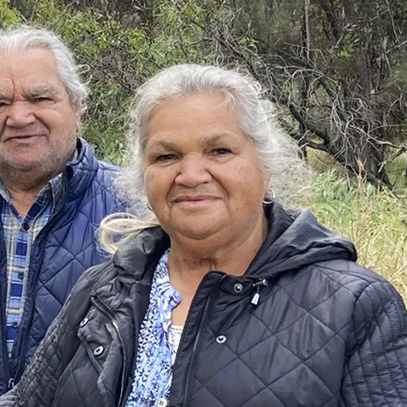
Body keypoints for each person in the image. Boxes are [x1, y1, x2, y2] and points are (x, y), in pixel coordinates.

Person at [1, 63, 406, 407]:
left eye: (219, 151)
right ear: (144, 177)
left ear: (265, 166)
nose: (191, 176)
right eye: (167, 156)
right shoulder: (104, 289)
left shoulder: (354, 308)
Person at [0, 26, 127, 394]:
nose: (19, 117)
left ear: (77, 107)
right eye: (1, 103)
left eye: (40, 98)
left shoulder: (138, 210)